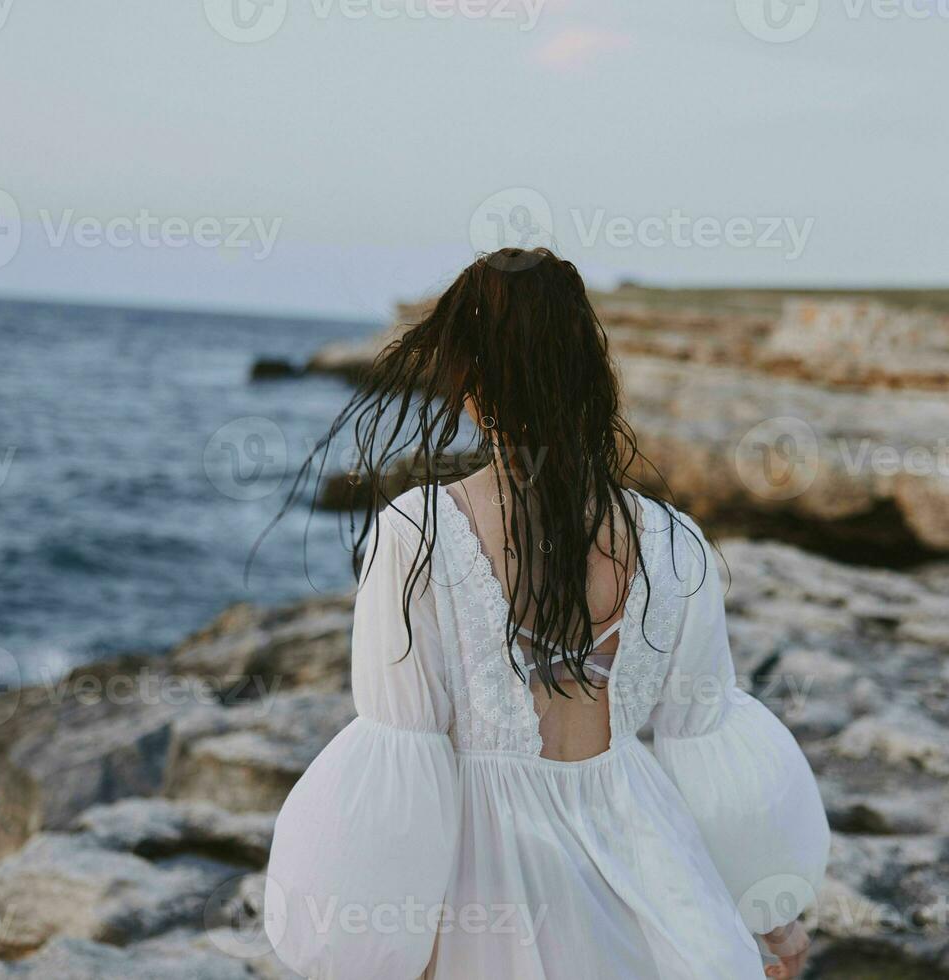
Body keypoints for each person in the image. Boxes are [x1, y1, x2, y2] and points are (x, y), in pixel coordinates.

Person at [261, 248, 829, 978]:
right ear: (589, 374)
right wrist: (765, 914)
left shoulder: (417, 532)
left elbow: (402, 760)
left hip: (484, 902)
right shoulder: (674, 543)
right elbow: (704, 739)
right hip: (648, 880)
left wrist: (378, 951)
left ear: (470, 383)